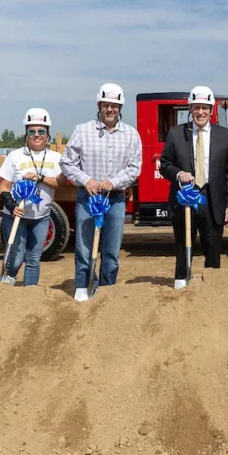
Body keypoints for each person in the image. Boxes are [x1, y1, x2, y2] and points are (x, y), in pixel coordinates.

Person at [60, 83, 142, 297]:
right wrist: (86, 180)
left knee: (112, 252)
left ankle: (107, 292)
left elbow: (135, 169)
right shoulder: (82, 130)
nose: (110, 110)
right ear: (99, 105)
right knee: (84, 248)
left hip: (115, 199)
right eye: (106, 105)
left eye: (114, 105)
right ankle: (83, 288)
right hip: (88, 198)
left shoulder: (131, 135)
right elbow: (67, 163)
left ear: (120, 107)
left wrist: (113, 182)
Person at [159, 85, 228, 289]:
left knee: (213, 248)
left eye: (205, 108)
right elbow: (165, 164)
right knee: (182, 245)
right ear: (190, 109)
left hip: (214, 202)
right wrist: (179, 173)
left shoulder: (225, 136)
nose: (201, 112)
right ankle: (181, 283)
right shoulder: (176, 134)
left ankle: (211, 289)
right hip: (184, 201)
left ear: (212, 110)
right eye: (196, 108)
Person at [0, 108, 63, 286]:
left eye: (41, 131)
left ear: (47, 134)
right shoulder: (15, 156)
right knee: (16, 260)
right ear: (26, 134)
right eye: (32, 131)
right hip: (16, 216)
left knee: (34, 259)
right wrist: (11, 206)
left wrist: (40, 177)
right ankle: (6, 285)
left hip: (41, 218)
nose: (36, 135)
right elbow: (3, 186)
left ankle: (29, 295)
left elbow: (59, 182)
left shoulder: (56, 157)